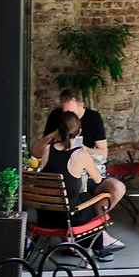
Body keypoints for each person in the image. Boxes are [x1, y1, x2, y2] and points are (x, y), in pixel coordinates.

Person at [31, 88, 126, 253]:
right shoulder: (57, 120)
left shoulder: (93, 119)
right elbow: (37, 151)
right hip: (71, 193)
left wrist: (85, 150)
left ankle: (86, 238)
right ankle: (96, 238)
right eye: (65, 113)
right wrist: (55, 133)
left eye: (72, 112)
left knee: (116, 188)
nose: (68, 116)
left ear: (81, 106)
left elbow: (103, 153)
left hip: (52, 209)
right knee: (82, 199)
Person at [38, 111, 114, 262]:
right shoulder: (80, 155)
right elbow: (98, 179)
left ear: (58, 131)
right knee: (91, 202)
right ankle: (93, 252)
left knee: (82, 201)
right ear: (79, 132)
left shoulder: (47, 150)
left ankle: (84, 248)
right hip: (68, 218)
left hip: (45, 216)